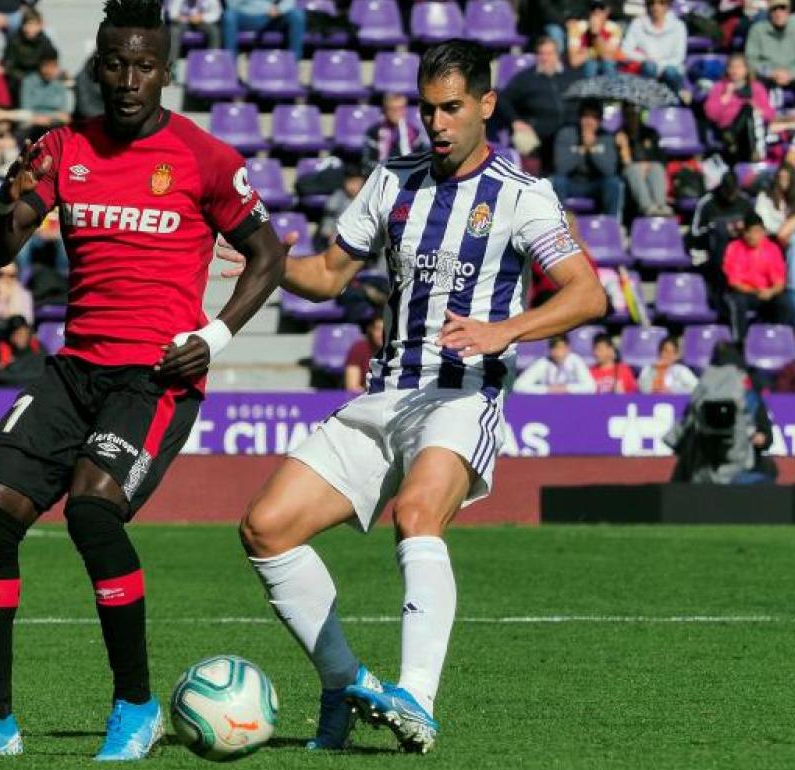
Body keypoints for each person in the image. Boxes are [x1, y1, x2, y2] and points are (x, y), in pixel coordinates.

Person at [0, 0, 286, 760]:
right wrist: (7, 199)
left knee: (92, 512)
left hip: (152, 380)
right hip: (74, 368)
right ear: (97, 67)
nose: (127, 79)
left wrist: (211, 337)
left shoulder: (205, 158)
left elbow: (269, 256)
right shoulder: (62, 148)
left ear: (166, 71)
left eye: (143, 65)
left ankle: (137, 706)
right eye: (114, 63)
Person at [226, 40, 605, 754]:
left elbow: (589, 294)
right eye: (428, 109)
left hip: (461, 395)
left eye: (452, 108)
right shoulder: (393, 180)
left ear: (485, 106)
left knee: (417, 512)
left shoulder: (523, 195)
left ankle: (417, 702)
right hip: (385, 396)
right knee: (266, 527)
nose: (437, 123)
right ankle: (343, 682)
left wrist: (507, 329)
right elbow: (333, 274)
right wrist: (263, 262)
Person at [665, 341, 775, 484]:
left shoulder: (705, 388)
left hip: (732, 467)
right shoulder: (705, 394)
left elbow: (678, 437)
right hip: (708, 466)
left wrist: (757, 437)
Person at [494, 36, 580, 175]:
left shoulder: (571, 77)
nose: (545, 58)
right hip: (536, 131)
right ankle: (531, 184)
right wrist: (515, 120)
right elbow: (502, 98)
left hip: (566, 131)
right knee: (523, 141)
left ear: (557, 55)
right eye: (541, 54)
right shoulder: (526, 78)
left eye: (549, 53)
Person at [722, 212, 792, 339]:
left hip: (766, 293)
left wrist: (771, 291)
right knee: (737, 302)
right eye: (749, 231)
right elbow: (734, 282)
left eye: (756, 231)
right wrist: (756, 291)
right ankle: (740, 342)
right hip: (745, 293)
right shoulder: (734, 248)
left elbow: (779, 281)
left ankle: (781, 339)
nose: (752, 236)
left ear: (763, 232)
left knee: (784, 303)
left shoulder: (772, 249)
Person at [551, 100, 623, 218]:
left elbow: (609, 170)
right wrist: (583, 149)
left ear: (600, 121)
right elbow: (561, 168)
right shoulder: (566, 134)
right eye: (586, 116)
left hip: (595, 184)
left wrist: (592, 149)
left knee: (613, 183)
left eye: (594, 117)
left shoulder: (606, 137)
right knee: (558, 181)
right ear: (579, 118)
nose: (589, 121)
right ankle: (558, 222)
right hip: (572, 183)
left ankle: (610, 224)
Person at [745, 0, 795, 110]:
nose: (778, 13)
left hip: (791, 73)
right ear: (769, 12)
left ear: (788, 11)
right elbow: (751, 59)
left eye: (782, 8)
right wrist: (771, 73)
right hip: (767, 74)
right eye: (774, 9)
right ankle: (764, 118)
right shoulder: (757, 30)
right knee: (755, 85)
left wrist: (791, 74)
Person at [704, 52, 776, 164]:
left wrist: (757, 108)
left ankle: (736, 139)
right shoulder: (719, 87)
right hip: (725, 129)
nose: (734, 70)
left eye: (738, 67)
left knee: (748, 109)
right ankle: (735, 138)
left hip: (752, 130)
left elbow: (770, 114)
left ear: (746, 69)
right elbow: (711, 114)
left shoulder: (756, 88)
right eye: (731, 67)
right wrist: (726, 96)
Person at [691, 172, 754, 294]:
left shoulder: (744, 202)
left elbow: (755, 228)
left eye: (733, 192)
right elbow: (695, 233)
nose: (731, 196)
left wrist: (742, 229)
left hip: (741, 250)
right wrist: (718, 227)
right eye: (728, 192)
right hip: (714, 252)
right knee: (720, 231)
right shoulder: (707, 203)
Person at [614, 103, 670, 217]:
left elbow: (661, 158)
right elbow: (618, 165)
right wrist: (623, 149)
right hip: (629, 170)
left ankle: (661, 206)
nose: (632, 118)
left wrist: (647, 164)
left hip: (650, 168)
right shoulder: (619, 135)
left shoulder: (651, 133)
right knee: (633, 169)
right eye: (628, 115)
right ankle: (647, 207)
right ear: (624, 116)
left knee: (657, 168)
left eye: (634, 114)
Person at [620, 0, 688, 94]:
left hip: (670, 68)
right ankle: (645, 102)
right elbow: (625, 50)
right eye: (652, 3)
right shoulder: (638, 24)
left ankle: (673, 103)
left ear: (667, 6)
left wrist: (659, 67)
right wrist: (645, 59)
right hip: (646, 68)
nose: (655, 7)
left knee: (670, 72)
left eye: (661, 3)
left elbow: (679, 56)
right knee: (649, 67)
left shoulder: (679, 26)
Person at [360, 92, 430, 176]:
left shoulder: (414, 132)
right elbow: (367, 162)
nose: (396, 113)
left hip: (408, 177)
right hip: (381, 177)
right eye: (392, 109)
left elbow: (422, 160)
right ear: (385, 110)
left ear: (404, 110)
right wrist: (390, 171)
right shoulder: (373, 132)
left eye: (400, 109)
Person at [222, 0, 305, 61]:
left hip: (272, 16)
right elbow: (232, 4)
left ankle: (293, 67)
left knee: (297, 16)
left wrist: (279, 9)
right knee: (229, 16)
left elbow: (289, 2)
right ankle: (230, 68)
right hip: (244, 16)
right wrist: (262, 7)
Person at [513, 335, 598, 394]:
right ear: (550, 350)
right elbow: (519, 386)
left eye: (561, 348)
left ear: (568, 348)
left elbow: (591, 387)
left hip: (573, 404)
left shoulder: (575, 361)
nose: (558, 353)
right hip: (547, 404)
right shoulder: (543, 362)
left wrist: (567, 389)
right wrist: (547, 389)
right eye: (555, 348)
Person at [566, 0, 621, 78]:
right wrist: (592, 53)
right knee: (591, 64)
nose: (596, 11)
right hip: (584, 68)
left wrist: (596, 34)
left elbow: (607, 57)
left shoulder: (615, 29)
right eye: (593, 8)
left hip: (606, 66)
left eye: (601, 8)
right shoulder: (577, 28)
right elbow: (574, 61)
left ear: (608, 11)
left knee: (608, 64)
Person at [18, 50, 72, 128]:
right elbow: (26, 110)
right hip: (33, 125)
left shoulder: (59, 83)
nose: (49, 70)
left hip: (55, 124)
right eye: (46, 66)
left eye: (53, 66)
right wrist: (51, 116)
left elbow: (64, 113)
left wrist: (49, 118)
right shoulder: (28, 82)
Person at [754, 164, 795, 239]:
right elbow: (763, 222)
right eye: (780, 178)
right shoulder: (764, 197)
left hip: (794, 239)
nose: (782, 182)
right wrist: (783, 230)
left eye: (786, 178)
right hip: (772, 238)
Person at [166, 0, 220, 66]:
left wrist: (202, 18)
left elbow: (216, 15)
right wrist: (186, 18)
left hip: (203, 22)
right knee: (174, 30)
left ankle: (213, 62)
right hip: (185, 22)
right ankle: (171, 65)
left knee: (214, 30)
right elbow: (172, 14)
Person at [343, 315, 383, 393]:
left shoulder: (398, 350)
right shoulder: (359, 348)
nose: (382, 334)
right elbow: (352, 387)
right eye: (378, 329)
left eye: (385, 330)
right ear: (371, 330)